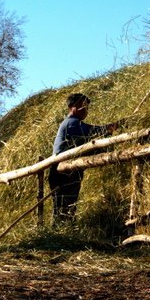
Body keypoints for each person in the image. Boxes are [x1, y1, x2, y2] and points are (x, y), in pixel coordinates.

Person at [49, 93, 118, 223]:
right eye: (82, 106)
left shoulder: (75, 124)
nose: (85, 109)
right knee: (63, 206)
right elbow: (91, 131)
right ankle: (60, 231)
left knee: (68, 207)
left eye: (87, 107)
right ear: (72, 107)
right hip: (62, 171)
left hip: (70, 170)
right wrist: (109, 128)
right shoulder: (71, 123)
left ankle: (65, 229)